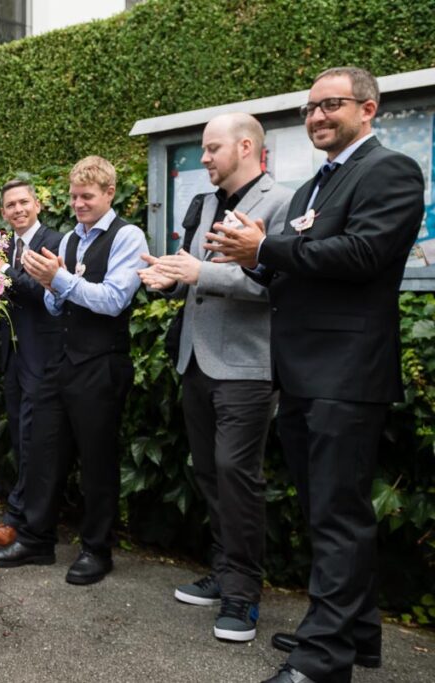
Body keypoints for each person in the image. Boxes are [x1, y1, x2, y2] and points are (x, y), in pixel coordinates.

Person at [204, 67, 425, 683]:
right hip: (299, 373)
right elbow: (287, 269)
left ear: (368, 108)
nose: (318, 117)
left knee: (337, 515)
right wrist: (247, 255)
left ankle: (323, 659)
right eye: (311, 108)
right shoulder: (308, 192)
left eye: (332, 105)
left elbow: (362, 255)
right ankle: (357, 635)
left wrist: (266, 250)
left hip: (347, 374)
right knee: (326, 510)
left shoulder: (391, 172)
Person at [139, 113, 292, 642]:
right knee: (208, 472)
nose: (203, 158)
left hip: (247, 366)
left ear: (246, 146)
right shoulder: (203, 204)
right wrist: (164, 280)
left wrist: (199, 273)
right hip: (196, 359)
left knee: (237, 474)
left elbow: (276, 284)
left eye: (211, 149)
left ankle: (243, 596)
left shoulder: (281, 202)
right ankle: (224, 571)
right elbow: (190, 277)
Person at [0, 155, 148, 586]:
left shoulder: (127, 235)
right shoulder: (71, 240)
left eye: (87, 196)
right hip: (64, 362)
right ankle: (37, 539)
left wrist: (60, 280)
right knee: (44, 450)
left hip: (102, 363)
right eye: (74, 196)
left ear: (109, 193)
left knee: (96, 460)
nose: (78, 204)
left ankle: (96, 549)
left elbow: (113, 299)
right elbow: (57, 305)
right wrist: (50, 285)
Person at [0, 178, 63, 547]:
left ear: (37, 204)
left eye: (23, 202)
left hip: (43, 356)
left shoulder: (55, 242)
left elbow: (40, 290)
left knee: (34, 437)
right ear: (2, 212)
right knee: (18, 434)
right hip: (12, 357)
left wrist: (0, 270)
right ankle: (24, 518)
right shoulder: (5, 248)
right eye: (10, 205)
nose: (17, 209)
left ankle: (21, 522)